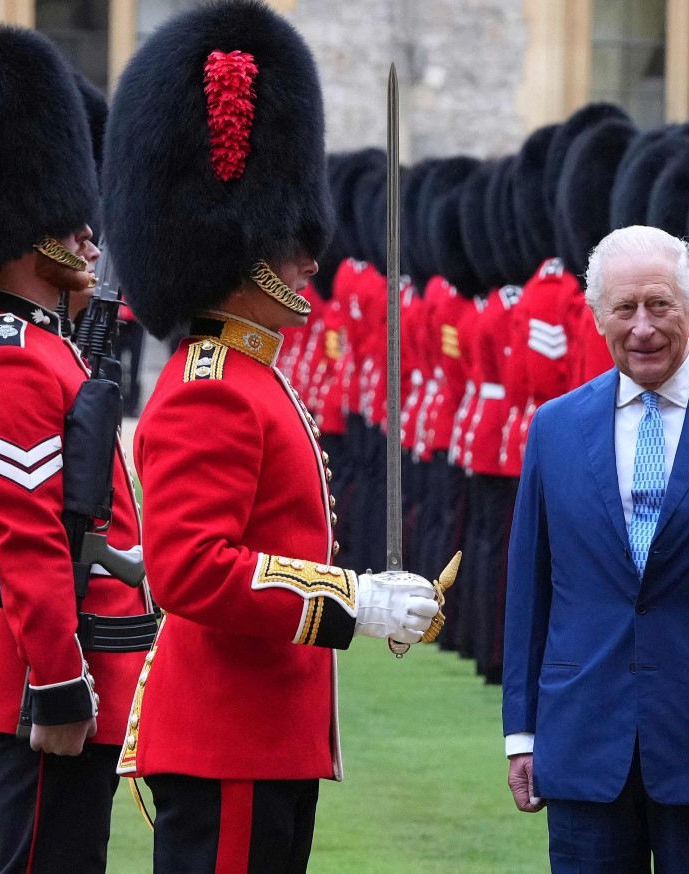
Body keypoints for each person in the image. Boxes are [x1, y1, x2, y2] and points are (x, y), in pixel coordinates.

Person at [101, 3, 449, 871]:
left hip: (269, 738)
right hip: (228, 741)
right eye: (290, 247)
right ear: (243, 251)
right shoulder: (211, 390)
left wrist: (361, 590)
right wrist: (350, 602)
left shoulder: (257, 378)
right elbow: (188, 568)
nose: (307, 263)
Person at [0, 24, 157, 873]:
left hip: (62, 661)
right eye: (72, 220)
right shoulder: (11, 359)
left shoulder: (42, 343)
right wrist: (58, 682)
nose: (90, 235)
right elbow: (29, 536)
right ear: (24, 224)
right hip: (41, 677)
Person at [503, 225, 689, 873]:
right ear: (597, 315)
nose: (643, 328)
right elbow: (531, 589)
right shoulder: (555, 428)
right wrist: (521, 733)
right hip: (584, 738)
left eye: (660, 305)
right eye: (624, 309)